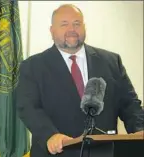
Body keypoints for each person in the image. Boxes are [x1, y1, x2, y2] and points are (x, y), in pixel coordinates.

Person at [16, 4, 144, 157]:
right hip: (57, 152)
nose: (72, 29)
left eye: (77, 23)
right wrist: (50, 135)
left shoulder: (110, 61)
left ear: (84, 27)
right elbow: (28, 107)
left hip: (104, 152)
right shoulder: (32, 66)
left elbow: (129, 103)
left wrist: (139, 130)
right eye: (64, 24)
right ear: (52, 30)